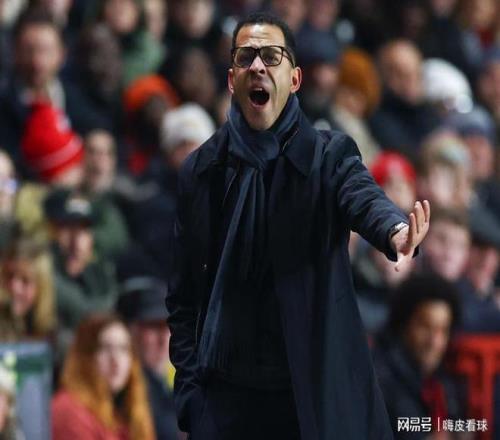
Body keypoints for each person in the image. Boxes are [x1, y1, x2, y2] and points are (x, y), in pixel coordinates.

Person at [166, 12, 431, 440]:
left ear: (294, 79)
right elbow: (183, 299)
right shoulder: (202, 170)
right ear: (231, 79)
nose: (257, 66)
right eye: (245, 57)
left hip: (310, 402)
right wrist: (191, 400)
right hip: (226, 406)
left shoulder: (328, 155)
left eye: (272, 56)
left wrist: (394, 230)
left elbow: (361, 195)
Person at [373, 274, 466, 440]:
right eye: (425, 327)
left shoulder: (443, 381)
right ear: (403, 325)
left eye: (443, 330)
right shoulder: (380, 381)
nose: (434, 342)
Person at [52, 313, 155, 440]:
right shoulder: (69, 410)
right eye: (105, 348)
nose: (116, 360)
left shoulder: (124, 409)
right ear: (84, 357)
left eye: (123, 348)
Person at [117, 276, 180, 439]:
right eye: (153, 327)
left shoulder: (174, 379)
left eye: (169, 327)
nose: (164, 339)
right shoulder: (119, 388)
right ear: (127, 332)